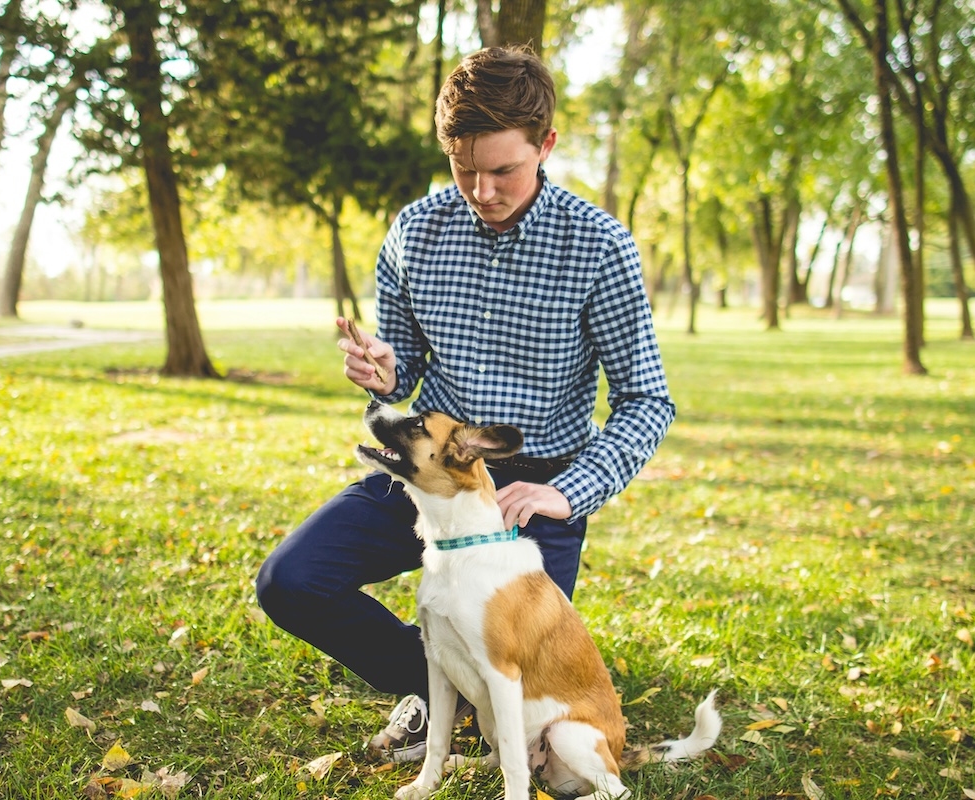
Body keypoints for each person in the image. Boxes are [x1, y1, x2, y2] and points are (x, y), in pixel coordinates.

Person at [255, 44, 674, 763]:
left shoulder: (600, 246)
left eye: (502, 170)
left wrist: (565, 492)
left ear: (545, 145)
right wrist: (384, 375)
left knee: (507, 726)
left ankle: (465, 686)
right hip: (429, 473)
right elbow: (405, 372)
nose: (481, 190)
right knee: (290, 581)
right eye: (464, 169)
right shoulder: (415, 233)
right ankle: (428, 679)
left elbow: (646, 401)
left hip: (531, 491)